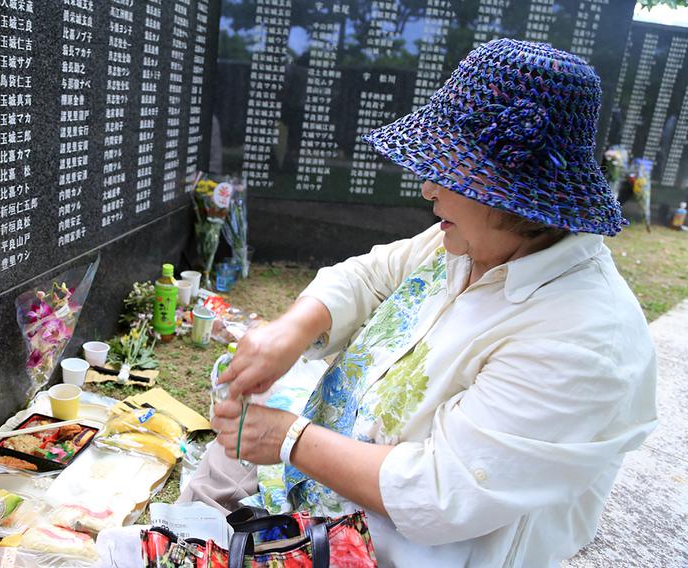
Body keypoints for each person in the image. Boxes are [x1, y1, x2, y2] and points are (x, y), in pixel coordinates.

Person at [179, 38, 657, 566]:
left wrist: (290, 440)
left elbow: (443, 493)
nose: (428, 187)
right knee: (217, 476)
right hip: (333, 480)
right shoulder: (476, 242)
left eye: (451, 168)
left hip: (405, 546)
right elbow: (371, 273)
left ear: (512, 191)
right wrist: (293, 331)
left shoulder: (583, 337)